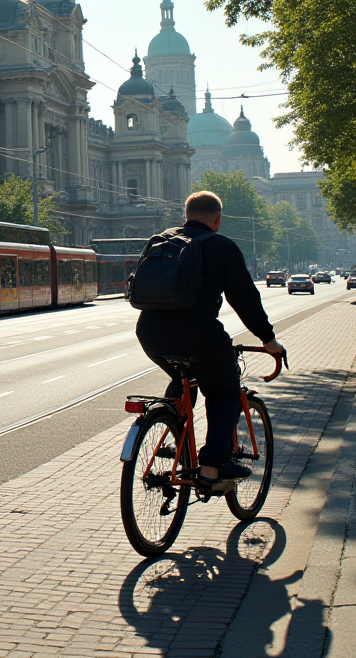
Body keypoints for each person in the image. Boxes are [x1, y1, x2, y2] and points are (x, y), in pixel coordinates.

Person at [135, 190, 285, 494]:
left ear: (185, 216)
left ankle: (171, 427)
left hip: (149, 332)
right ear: (217, 220)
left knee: (182, 378)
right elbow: (245, 300)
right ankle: (212, 466)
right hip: (200, 334)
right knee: (224, 392)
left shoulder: (161, 240)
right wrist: (268, 340)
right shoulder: (222, 246)